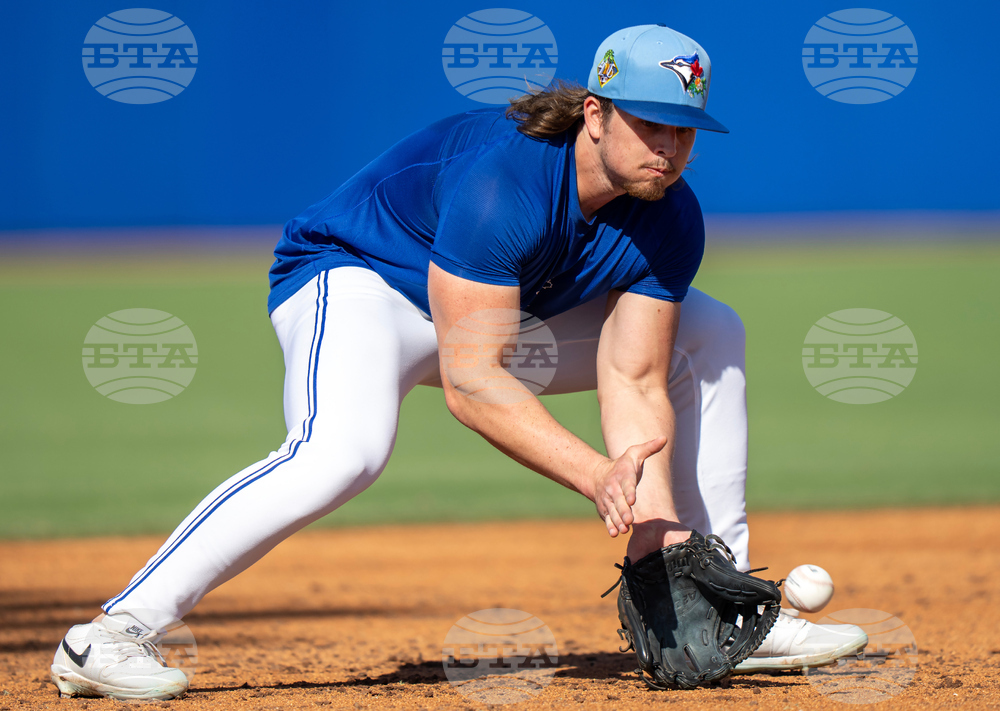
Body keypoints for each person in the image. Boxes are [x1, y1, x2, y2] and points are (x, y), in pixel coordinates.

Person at [51, 24, 866, 700]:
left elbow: (635, 377)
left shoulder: (670, 216)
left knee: (709, 332)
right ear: (595, 114)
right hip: (363, 285)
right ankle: (110, 634)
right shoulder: (504, 185)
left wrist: (654, 529)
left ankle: (727, 609)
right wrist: (595, 475)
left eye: (683, 129)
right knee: (343, 452)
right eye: (650, 123)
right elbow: (473, 383)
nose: (669, 146)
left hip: (502, 314)